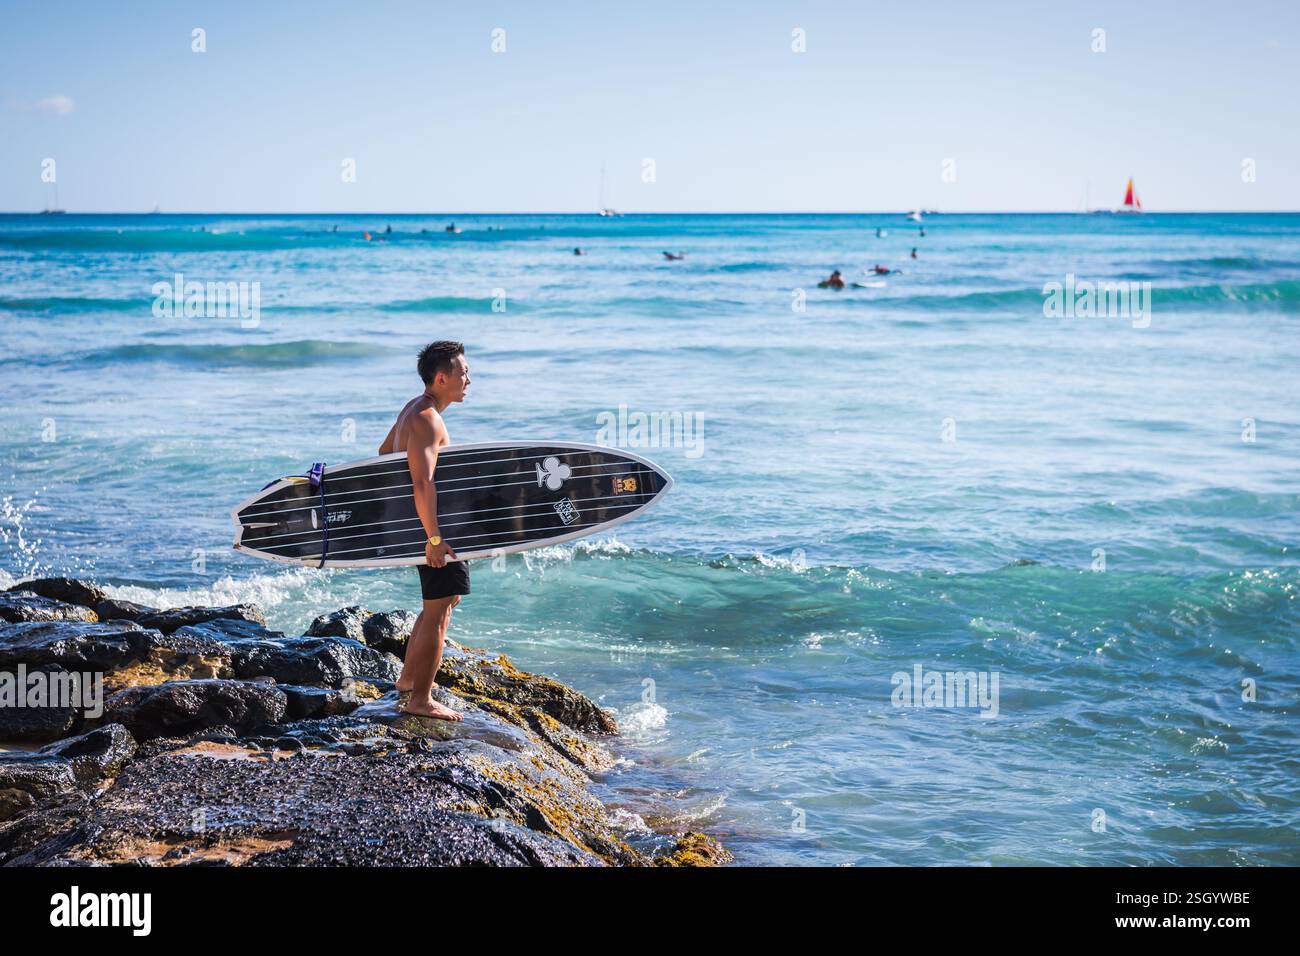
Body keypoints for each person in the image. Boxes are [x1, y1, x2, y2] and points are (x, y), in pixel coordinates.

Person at [377, 341, 472, 721]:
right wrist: (433, 538)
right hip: (432, 529)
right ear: (441, 377)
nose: (469, 380)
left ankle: (407, 680)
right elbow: (423, 483)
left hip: (419, 524)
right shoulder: (427, 418)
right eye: (463, 373)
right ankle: (421, 699)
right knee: (438, 611)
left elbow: (384, 455)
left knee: (443, 602)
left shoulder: (412, 410)